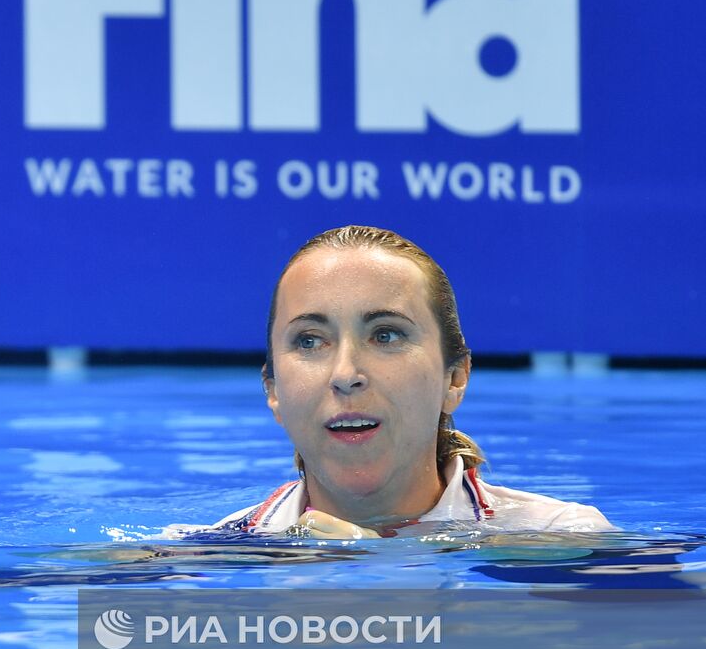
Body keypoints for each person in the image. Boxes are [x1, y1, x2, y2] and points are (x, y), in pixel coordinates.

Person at [167, 225, 612, 539]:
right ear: (273, 391)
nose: (345, 375)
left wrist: (379, 567)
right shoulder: (207, 552)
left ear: (454, 377)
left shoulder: (560, 537)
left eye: (385, 335)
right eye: (310, 340)